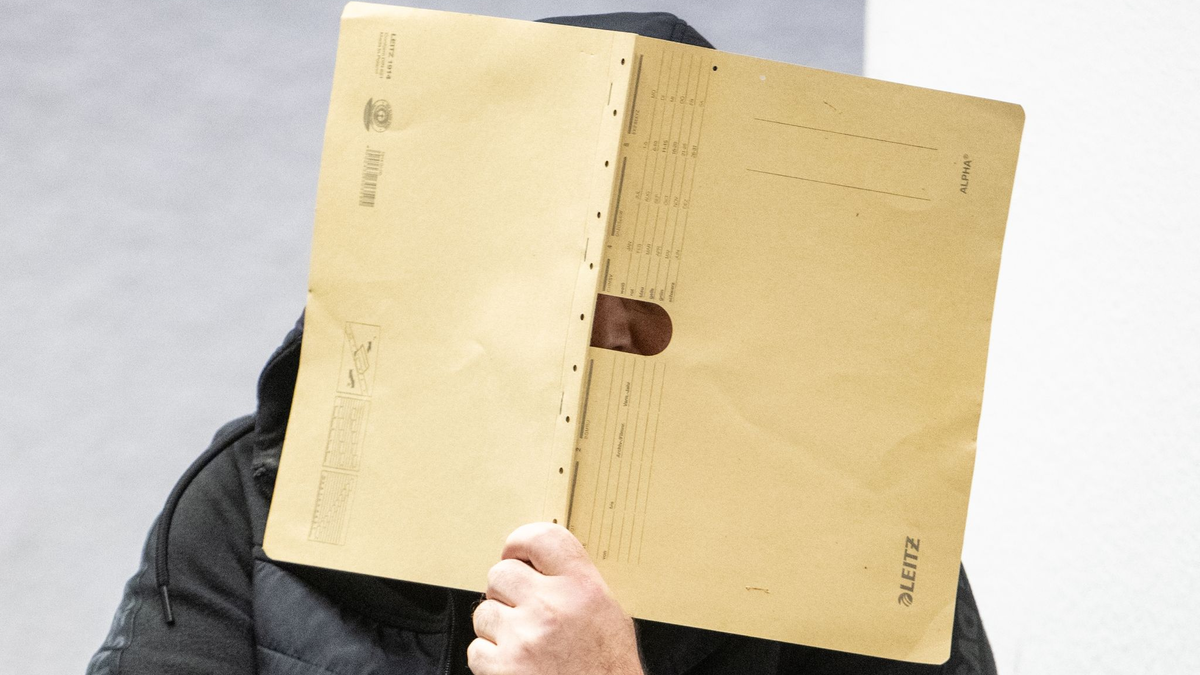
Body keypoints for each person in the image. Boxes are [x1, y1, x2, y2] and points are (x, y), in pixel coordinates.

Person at [87, 12, 998, 675]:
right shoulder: (251, 504)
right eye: (563, 280)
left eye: (653, 302)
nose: (605, 338)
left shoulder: (852, 550)